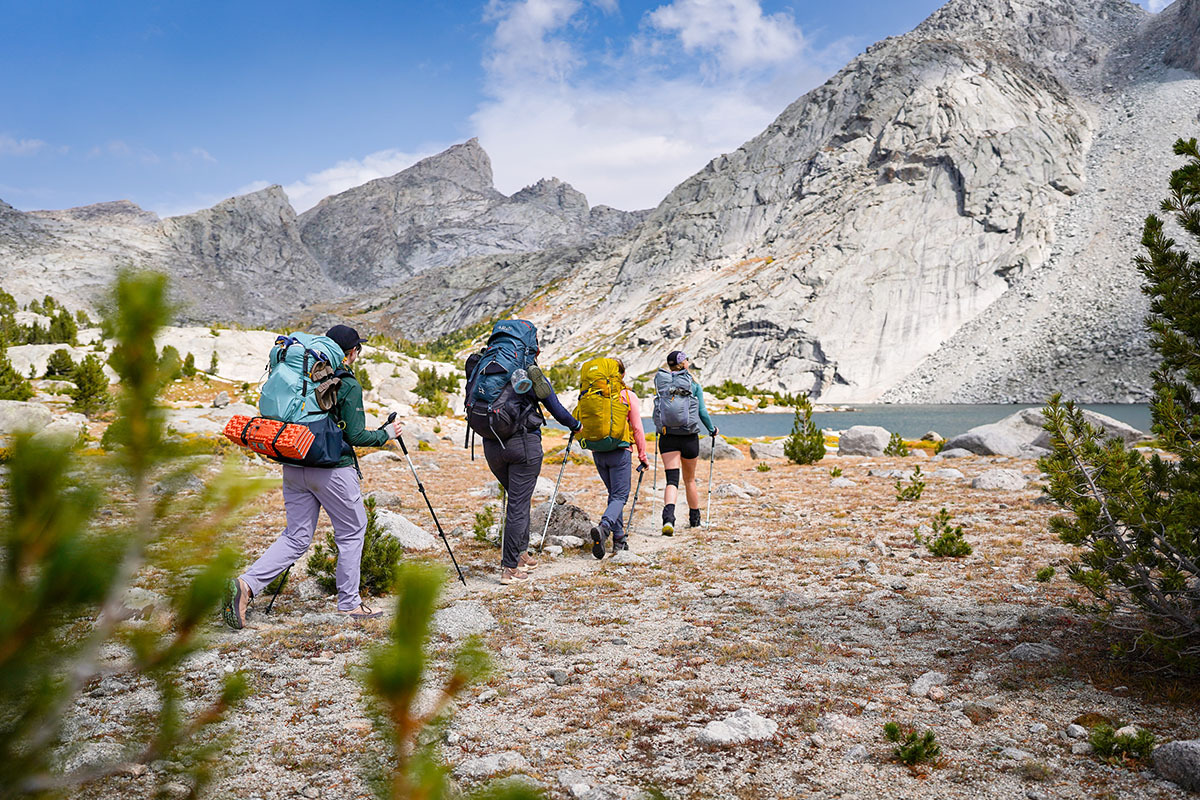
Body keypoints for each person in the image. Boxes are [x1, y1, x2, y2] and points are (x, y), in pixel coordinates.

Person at [224, 324, 399, 627]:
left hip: (293, 460)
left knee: (296, 536)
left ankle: (247, 585)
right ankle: (349, 604)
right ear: (352, 352)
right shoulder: (347, 383)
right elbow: (355, 435)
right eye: (358, 349)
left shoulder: (303, 372)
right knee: (352, 531)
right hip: (331, 470)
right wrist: (385, 435)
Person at [467, 348, 581, 585]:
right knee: (518, 504)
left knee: (518, 499)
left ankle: (520, 554)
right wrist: (575, 425)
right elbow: (555, 407)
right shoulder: (529, 371)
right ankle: (509, 568)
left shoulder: (486, 368)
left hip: (492, 446)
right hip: (523, 445)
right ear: (531, 348)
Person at [586, 359, 649, 559]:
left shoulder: (592, 395)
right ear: (621, 375)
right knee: (620, 496)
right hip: (620, 451)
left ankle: (619, 539)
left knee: (614, 495)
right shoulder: (628, 396)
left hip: (598, 452)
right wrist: (643, 455)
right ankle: (605, 528)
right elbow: (637, 428)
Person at [652, 350, 717, 536]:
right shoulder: (693, 384)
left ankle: (668, 519)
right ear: (684, 363)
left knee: (671, 480)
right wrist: (712, 430)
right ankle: (694, 520)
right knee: (689, 480)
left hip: (667, 437)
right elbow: (702, 412)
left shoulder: (662, 382)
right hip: (689, 436)